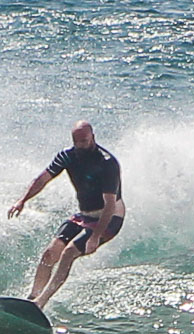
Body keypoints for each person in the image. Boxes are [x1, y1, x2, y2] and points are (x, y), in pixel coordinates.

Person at [7, 120, 125, 309]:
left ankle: (41, 302)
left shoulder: (107, 163)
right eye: (76, 141)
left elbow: (110, 204)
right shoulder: (67, 156)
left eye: (84, 141)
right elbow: (42, 179)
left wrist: (95, 237)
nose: (80, 145)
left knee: (69, 252)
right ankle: (32, 297)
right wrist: (22, 200)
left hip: (109, 218)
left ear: (93, 137)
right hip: (84, 215)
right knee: (50, 253)